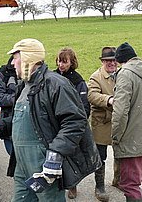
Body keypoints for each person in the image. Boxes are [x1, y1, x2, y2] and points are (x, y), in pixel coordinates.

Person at [0, 38, 101, 202]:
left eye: (16, 58)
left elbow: (75, 122)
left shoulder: (56, 84)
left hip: (43, 164)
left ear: (27, 58)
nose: (13, 63)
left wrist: (55, 155)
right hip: (21, 163)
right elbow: (25, 118)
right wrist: (1, 128)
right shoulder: (24, 86)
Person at [111, 42, 142, 202]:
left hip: (132, 139)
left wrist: (116, 136)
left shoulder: (125, 74)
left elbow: (120, 111)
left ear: (119, 61)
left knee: (130, 184)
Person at [54, 47, 90, 199]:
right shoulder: (51, 76)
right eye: (59, 61)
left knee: (70, 157)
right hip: (54, 122)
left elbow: (84, 105)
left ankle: (72, 185)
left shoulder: (77, 80)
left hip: (70, 124)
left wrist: (78, 123)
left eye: (64, 61)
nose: (61, 64)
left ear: (72, 62)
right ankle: (55, 184)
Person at [87, 46, 118, 202]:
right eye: (108, 61)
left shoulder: (123, 75)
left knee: (122, 153)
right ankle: (99, 187)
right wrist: (108, 100)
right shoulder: (96, 77)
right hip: (102, 122)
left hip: (120, 121)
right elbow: (92, 95)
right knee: (101, 155)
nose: (111, 63)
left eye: (113, 60)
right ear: (103, 61)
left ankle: (119, 181)